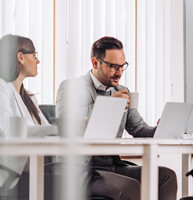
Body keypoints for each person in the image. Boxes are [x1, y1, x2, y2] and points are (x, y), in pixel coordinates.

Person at [56, 36, 177, 200]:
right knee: (130, 187)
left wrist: (162, 129)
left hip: (112, 165)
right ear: (95, 63)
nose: (119, 72)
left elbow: (139, 129)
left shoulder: (122, 91)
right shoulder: (71, 87)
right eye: (113, 66)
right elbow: (64, 122)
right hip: (81, 170)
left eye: (122, 66)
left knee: (166, 177)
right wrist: (107, 105)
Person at [0, 34, 50, 195]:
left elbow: (48, 131)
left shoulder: (29, 98)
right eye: (34, 55)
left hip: (35, 170)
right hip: (12, 176)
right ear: (20, 57)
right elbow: (5, 128)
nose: (38, 61)